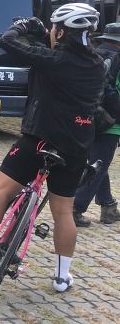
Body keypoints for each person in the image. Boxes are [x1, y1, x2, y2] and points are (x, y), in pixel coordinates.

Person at [0, 3, 104, 293]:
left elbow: (7, 41)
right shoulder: (98, 65)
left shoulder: (53, 59)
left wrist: (24, 26)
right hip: (76, 147)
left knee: (2, 191)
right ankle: (62, 277)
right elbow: (63, 58)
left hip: (39, 138)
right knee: (63, 212)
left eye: (54, 28)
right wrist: (43, 34)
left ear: (61, 32)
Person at [73, 22, 120, 226]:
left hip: (87, 116)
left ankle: (108, 205)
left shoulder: (93, 54)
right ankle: (76, 208)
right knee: (99, 166)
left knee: (98, 161)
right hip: (111, 123)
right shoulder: (118, 59)